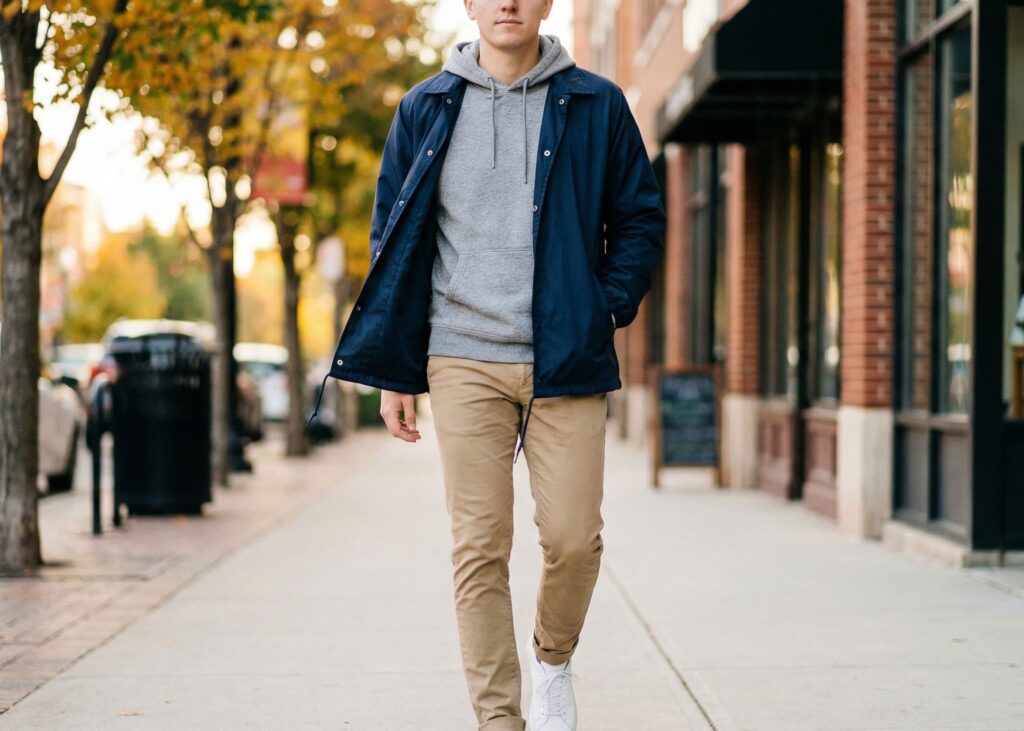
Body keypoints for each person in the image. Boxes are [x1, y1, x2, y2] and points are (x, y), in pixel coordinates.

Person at [309, 0, 665, 727]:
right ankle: (499, 720)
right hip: (462, 358)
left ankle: (553, 658)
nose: (507, 2)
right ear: (469, 4)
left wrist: (602, 307)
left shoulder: (598, 105)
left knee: (573, 538)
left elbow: (639, 219)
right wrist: (396, 372)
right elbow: (394, 241)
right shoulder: (426, 108)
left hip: (566, 355)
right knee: (479, 547)